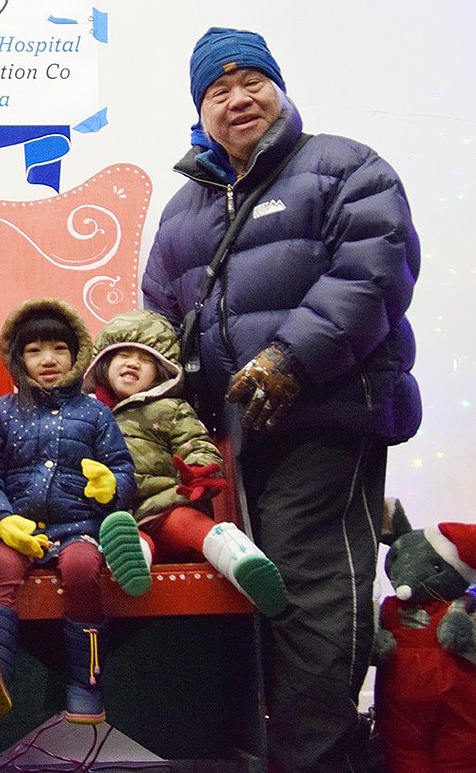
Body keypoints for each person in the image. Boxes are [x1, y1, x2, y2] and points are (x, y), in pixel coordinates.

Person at [141, 27, 421, 773]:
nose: (238, 100)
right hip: (224, 447)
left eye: (250, 81)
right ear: (198, 112)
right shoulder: (180, 212)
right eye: (217, 90)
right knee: (242, 599)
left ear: (279, 86)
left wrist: (288, 358)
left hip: (325, 421)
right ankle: (261, 749)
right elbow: (160, 323)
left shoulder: (341, 166)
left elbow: (373, 272)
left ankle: (320, 757)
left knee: (310, 588)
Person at [0, 298, 139, 725]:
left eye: (58, 348)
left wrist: (112, 486)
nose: (48, 359)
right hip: (19, 529)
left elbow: (122, 468)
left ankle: (86, 682)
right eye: (34, 351)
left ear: (76, 355)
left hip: (79, 529)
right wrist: (1, 518)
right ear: (18, 360)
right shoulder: (0, 413)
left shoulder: (95, 413)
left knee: (82, 568)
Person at [84, 309, 288, 617]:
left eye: (146, 359)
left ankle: (243, 561)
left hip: (166, 506)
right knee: (127, 537)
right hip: (120, 514)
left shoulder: (169, 408)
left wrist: (200, 472)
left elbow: (196, 443)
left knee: (190, 525)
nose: (132, 363)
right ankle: (130, 564)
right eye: (122, 355)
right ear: (103, 367)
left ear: (163, 371)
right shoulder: (91, 417)